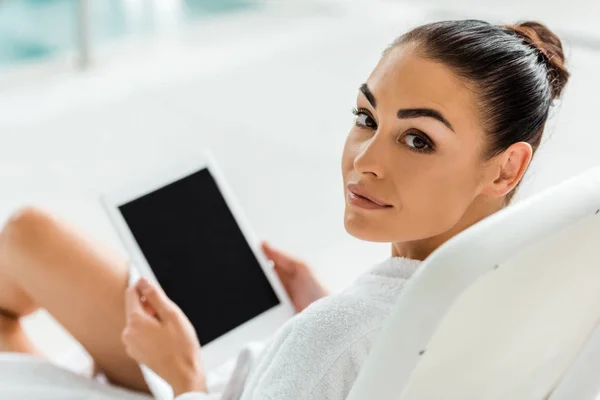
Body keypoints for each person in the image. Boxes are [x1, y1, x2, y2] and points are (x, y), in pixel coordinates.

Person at [0, 19, 570, 399]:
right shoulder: (527, 282)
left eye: (418, 139)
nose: (364, 161)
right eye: (367, 117)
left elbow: (337, 351)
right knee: (31, 234)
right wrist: (319, 306)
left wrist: (183, 375)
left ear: (506, 168)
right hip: (255, 367)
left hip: (212, 384)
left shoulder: (334, 336)